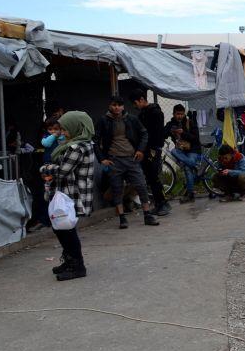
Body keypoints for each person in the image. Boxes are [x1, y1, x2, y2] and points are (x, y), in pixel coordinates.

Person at [40, 112, 95, 281]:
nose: (62, 133)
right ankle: (70, 260)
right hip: (66, 193)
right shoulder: (77, 144)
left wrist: (44, 169)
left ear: (76, 127)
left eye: (65, 129)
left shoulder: (77, 147)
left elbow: (63, 171)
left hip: (72, 194)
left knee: (67, 230)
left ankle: (78, 266)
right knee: (61, 228)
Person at [95, 95, 160, 229]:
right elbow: (95, 140)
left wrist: (141, 150)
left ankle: (147, 214)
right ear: (110, 106)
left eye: (119, 105)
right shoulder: (103, 121)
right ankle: (122, 218)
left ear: (123, 106)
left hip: (132, 159)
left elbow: (144, 133)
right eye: (114, 105)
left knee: (141, 185)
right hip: (114, 160)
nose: (117, 107)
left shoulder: (131, 119)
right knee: (117, 189)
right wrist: (102, 159)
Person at [131, 89, 171, 216]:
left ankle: (164, 203)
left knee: (154, 177)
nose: (135, 106)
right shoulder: (143, 113)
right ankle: (159, 204)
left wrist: (148, 147)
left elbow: (154, 134)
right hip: (146, 149)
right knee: (150, 177)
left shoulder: (155, 113)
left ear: (142, 99)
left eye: (135, 103)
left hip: (153, 149)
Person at [165, 104, 203, 203]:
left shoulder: (190, 122)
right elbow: (163, 133)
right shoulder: (171, 124)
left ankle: (190, 194)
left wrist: (183, 133)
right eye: (178, 114)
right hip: (182, 152)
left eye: (182, 114)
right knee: (173, 151)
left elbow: (195, 138)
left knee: (187, 167)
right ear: (173, 114)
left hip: (193, 150)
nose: (180, 116)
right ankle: (196, 166)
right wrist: (169, 131)